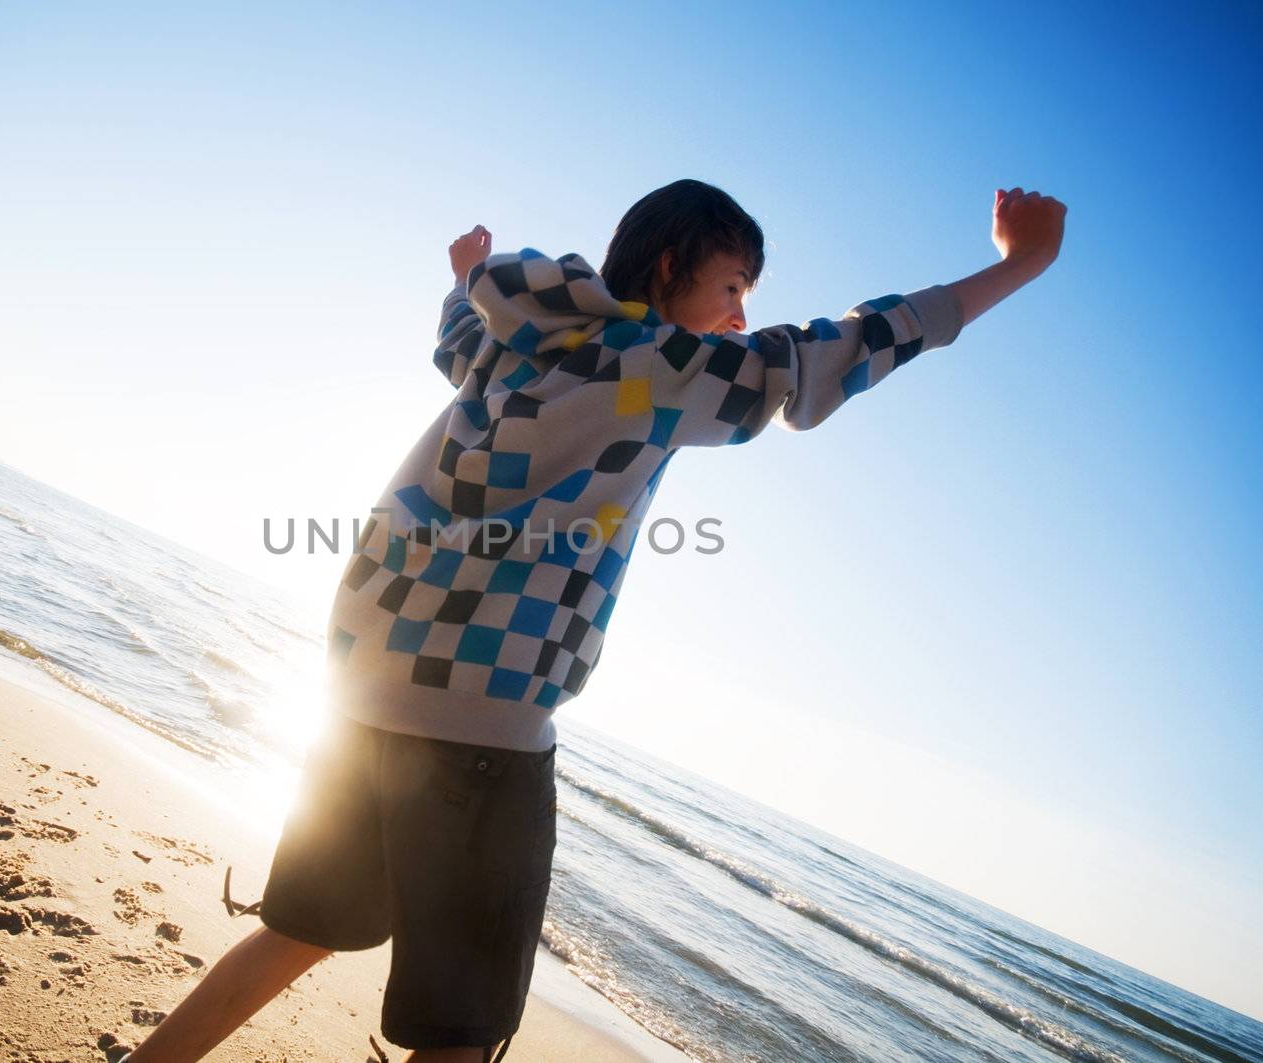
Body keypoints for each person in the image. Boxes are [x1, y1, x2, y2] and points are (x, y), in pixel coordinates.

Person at [118, 180, 1067, 1062]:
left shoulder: (507, 337)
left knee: (300, 927)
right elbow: (840, 351)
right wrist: (1018, 265)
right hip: (483, 729)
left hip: (365, 683)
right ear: (669, 269)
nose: (739, 313)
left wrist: (460, 277)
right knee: (460, 1027)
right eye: (733, 283)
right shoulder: (667, 365)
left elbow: (455, 336)